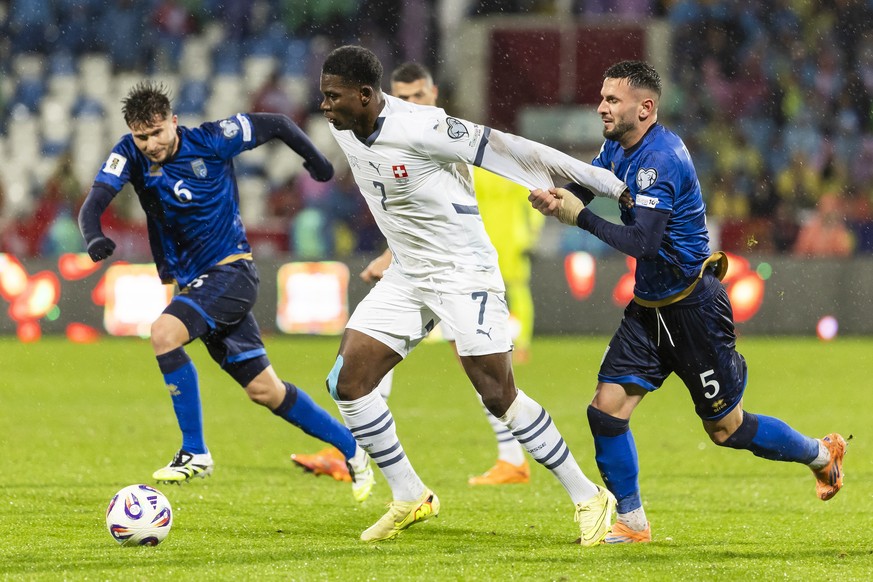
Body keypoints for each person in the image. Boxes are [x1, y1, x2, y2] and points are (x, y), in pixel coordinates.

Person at [317, 45, 632, 545]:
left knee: (497, 392)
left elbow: (511, 149)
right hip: (409, 272)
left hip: (464, 272)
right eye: (322, 96)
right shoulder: (342, 127)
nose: (325, 106)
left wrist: (604, 183)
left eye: (333, 97)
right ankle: (410, 494)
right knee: (347, 382)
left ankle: (588, 495)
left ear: (364, 95)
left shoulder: (424, 127)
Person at [528, 60, 848, 544]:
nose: (601, 107)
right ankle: (633, 523)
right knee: (605, 410)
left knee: (726, 430)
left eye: (612, 100)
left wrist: (579, 220)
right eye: (603, 97)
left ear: (646, 107)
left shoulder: (662, 160)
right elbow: (595, 180)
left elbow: (644, 243)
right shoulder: (619, 144)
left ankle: (822, 454)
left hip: (693, 309)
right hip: (649, 309)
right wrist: (562, 196)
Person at [77, 81, 375, 503]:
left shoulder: (213, 139)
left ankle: (194, 450)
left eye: (158, 132)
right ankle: (353, 449)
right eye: (142, 136)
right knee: (265, 391)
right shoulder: (128, 153)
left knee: (164, 333)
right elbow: (94, 202)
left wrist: (318, 162)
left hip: (230, 273)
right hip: (197, 284)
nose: (151, 144)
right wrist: (93, 238)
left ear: (173, 122)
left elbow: (276, 123)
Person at [292, 61, 537, 486]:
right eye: (401, 98)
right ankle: (351, 450)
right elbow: (415, 215)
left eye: (416, 97)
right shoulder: (400, 144)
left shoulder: (454, 144)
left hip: (470, 273)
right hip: (428, 268)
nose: (408, 105)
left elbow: (485, 208)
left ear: (433, 94)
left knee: (483, 370)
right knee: (374, 360)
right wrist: (394, 254)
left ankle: (513, 457)